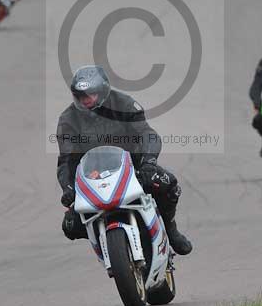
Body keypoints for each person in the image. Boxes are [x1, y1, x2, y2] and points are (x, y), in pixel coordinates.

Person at [55, 65, 193, 255]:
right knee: (71, 226)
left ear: (102, 91)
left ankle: (171, 229)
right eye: (80, 96)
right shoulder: (67, 119)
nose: (84, 100)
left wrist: (148, 162)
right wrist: (68, 189)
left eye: (89, 95)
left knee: (168, 185)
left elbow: (147, 134)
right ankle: (107, 244)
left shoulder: (124, 104)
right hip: (93, 178)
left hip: (133, 170)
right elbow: (66, 159)